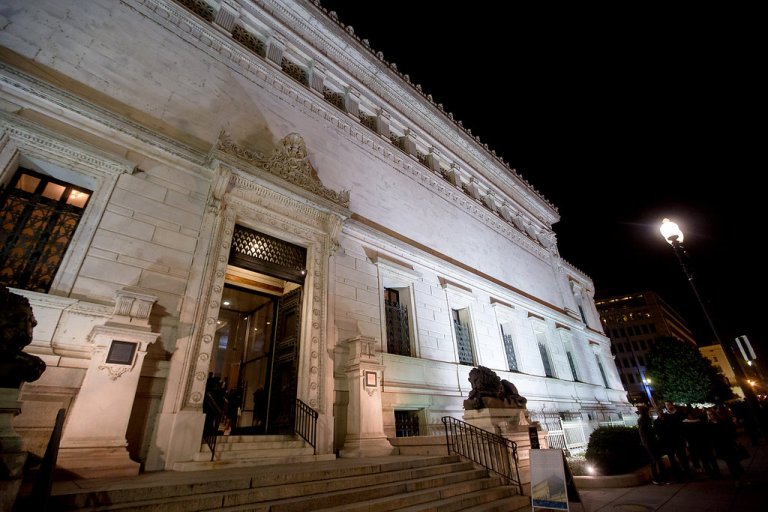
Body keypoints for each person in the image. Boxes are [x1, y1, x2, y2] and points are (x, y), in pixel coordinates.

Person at [707, 407, 748, 486]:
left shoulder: (722, 422)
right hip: (720, 446)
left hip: (728, 444)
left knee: (735, 462)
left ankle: (742, 477)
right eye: (708, 415)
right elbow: (711, 437)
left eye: (710, 414)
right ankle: (737, 479)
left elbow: (729, 432)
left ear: (714, 415)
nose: (709, 416)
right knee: (730, 463)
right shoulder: (709, 425)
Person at [637, 405, 669, 484]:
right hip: (649, 443)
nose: (648, 412)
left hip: (652, 442)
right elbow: (643, 433)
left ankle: (662, 476)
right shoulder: (642, 420)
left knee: (658, 460)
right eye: (647, 410)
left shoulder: (647, 419)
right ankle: (656, 478)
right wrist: (646, 443)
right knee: (654, 460)